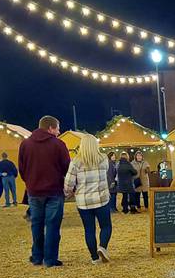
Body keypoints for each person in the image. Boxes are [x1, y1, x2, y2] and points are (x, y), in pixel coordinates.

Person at [18, 115, 71, 268]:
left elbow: (22, 169)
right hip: (54, 190)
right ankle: (50, 259)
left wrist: (30, 182)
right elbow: (66, 167)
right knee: (52, 225)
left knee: (36, 225)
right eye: (58, 128)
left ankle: (36, 257)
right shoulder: (59, 144)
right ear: (50, 128)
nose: (59, 132)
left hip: (34, 191)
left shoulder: (25, 144)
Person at [64, 133, 112, 265]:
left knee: (89, 229)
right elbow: (106, 175)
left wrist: (69, 193)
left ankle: (94, 258)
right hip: (101, 199)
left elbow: (69, 183)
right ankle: (102, 247)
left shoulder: (75, 162)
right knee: (106, 226)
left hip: (83, 202)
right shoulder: (103, 159)